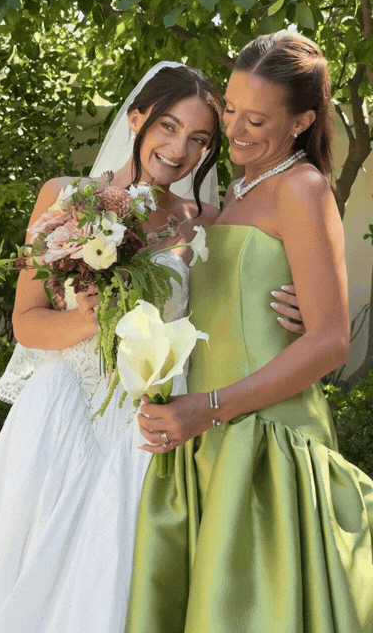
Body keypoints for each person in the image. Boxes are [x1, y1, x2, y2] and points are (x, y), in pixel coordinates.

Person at [0, 61, 301, 633]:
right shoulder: (67, 197)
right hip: (62, 408)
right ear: (137, 118)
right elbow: (27, 322)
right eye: (167, 127)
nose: (180, 149)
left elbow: (237, 302)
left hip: (150, 415)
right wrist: (88, 317)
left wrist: (290, 313)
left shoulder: (204, 221)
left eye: (199, 139)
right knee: (29, 562)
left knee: (121, 567)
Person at [127, 33, 373, 633]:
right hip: (209, 438)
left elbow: (331, 342)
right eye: (230, 109)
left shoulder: (303, 188)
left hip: (265, 440)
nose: (233, 129)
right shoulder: (229, 195)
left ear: (302, 121)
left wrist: (208, 409)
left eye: (256, 118)